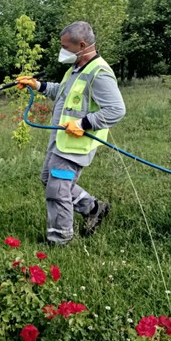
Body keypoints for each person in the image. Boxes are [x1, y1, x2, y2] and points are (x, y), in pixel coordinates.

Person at [16, 21, 126, 245]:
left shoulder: (100, 72)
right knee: (48, 179)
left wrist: (84, 123)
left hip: (75, 144)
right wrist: (37, 85)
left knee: (57, 189)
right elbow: (62, 94)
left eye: (66, 46)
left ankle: (59, 240)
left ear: (82, 45)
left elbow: (116, 110)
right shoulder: (76, 69)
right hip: (61, 141)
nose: (62, 51)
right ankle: (93, 208)